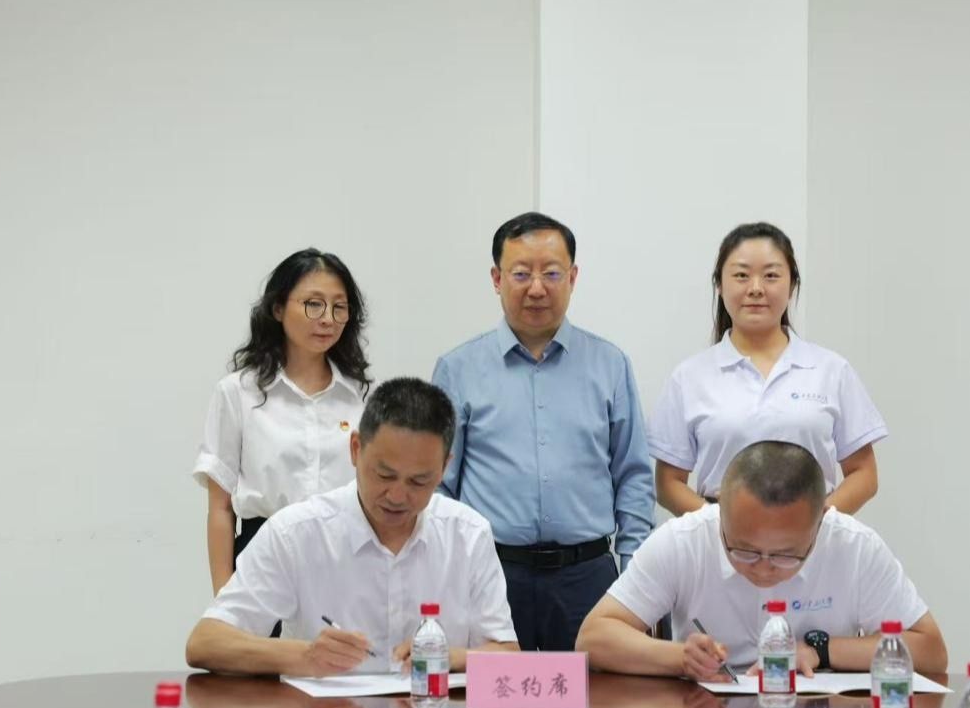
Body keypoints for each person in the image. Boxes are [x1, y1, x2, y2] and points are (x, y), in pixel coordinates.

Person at [185, 378, 519, 677]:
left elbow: (507, 653)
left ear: (444, 467)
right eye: (384, 475)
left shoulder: (468, 534)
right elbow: (205, 643)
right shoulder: (296, 533)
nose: (397, 496)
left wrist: (449, 657)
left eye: (419, 481)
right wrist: (304, 655)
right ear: (356, 449)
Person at [431, 211, 654, 651]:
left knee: (593, 694)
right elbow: (439, 484)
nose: (537, 288)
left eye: (551, 273)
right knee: (491, 693)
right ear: (497, 279)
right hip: (491, 572)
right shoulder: (458, 368)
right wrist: (449, 570)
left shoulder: (609, 364)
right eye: (521, 274)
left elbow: (633, 476)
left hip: (588, 577)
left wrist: (634, 577)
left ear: (573, 277)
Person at [575, 440, 946, 680]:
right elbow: (593, 638)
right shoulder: (684, 540)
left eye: (786, 555)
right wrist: (679, 657)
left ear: (820, 521)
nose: (764, 568)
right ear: (721, 510)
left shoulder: (854, 546)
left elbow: (930, 650)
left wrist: (821, 650)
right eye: (744, 550)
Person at [648, 222, 886, 516]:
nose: (756, 289)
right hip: (718, 536)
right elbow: (668, 483)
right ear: (719, 285)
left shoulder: (832, 370)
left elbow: (864, 474)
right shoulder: (689, 377)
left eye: (771, 275)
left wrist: (813, 522)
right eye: (741, 275)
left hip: (814, 535)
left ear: (792, 285)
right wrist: (721, 524)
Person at [193, 248, 371, 598]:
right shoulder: (238, 392)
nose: (328, 319)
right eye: (313, 304)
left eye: (339, 307)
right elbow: (221, 508)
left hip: (345, 562)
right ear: (277, 308)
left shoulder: (360, 396)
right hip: (263, 559)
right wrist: (224, 603)